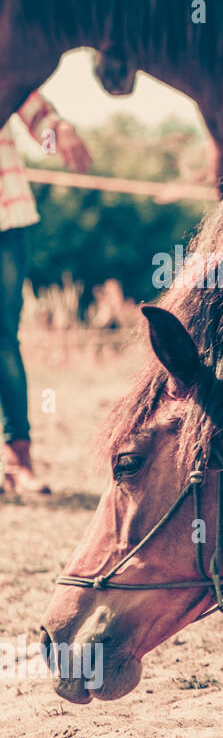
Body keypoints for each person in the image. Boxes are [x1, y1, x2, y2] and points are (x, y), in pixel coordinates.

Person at [0, 90, 91, 494]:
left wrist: (60, 129)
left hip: (6, 217)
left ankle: (19, 460)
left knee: (3, 339)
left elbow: (37, 116)